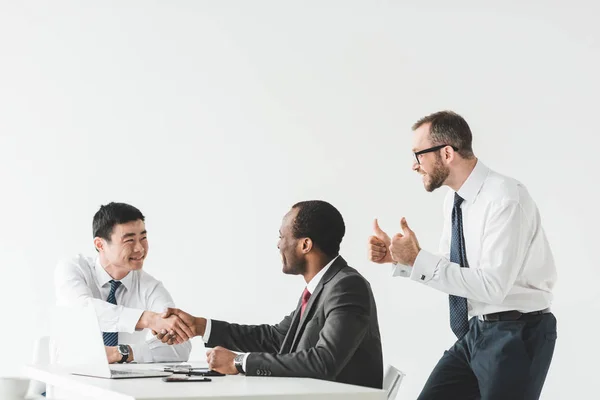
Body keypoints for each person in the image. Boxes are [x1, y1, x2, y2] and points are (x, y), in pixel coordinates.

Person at [368, 111, 557, 399]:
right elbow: (452, 272)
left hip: (518, 333)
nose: (414, 165)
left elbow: (492, 287)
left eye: (419, 154)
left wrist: (417, 259)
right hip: (476, 332)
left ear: (446, 153)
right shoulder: (455, 202)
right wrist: (402, 259)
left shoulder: (505, 198)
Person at [156, 200, 383, 389]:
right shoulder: (324, 286)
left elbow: (324, 361)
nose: (278, 244)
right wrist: (200, 326)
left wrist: (239, 362)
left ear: (305, 245)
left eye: (282, 236)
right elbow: (276, 338)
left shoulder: (346, 286)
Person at [55, 202, 192, 364]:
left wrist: (122, 352)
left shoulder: (151, 287)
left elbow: (181, 345)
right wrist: (146, 319)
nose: (140, 248)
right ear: (100, 245)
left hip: (121, 384)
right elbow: (83, 310)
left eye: (143, 238)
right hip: (68, 376)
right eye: (129, 240)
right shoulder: (73, 268)